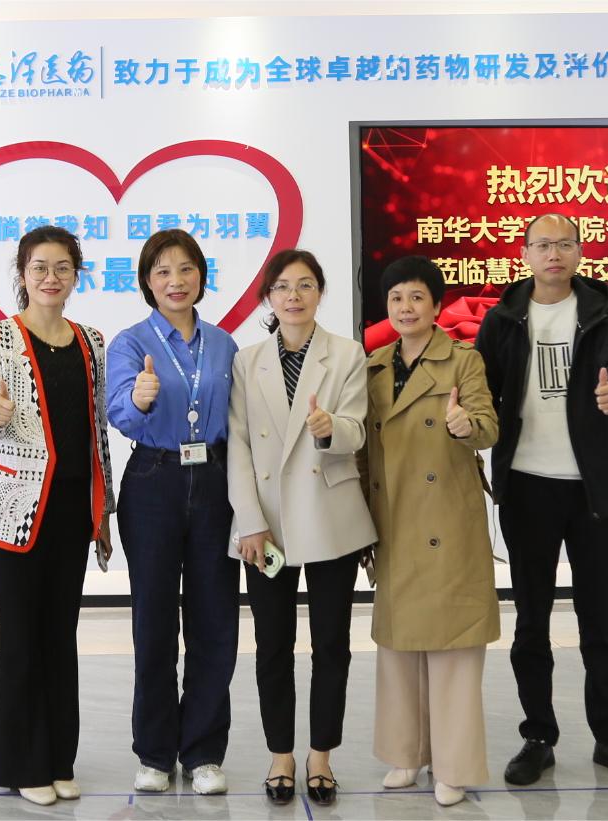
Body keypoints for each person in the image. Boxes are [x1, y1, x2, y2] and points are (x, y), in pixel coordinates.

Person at [474, 213, 608, 787]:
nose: (553, 253)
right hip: (526, 485)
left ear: (579, 252)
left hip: (591, 490)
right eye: (542, 245)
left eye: (564, 244)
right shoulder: (503, 318)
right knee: (531, 622)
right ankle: (538, 736)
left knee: (597, 621)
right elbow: (479, 383)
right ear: (525, 254)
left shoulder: (602, 310)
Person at [0, 226, 115, 806]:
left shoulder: (91, 340)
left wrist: (103, 507)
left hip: (73, 507)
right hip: (14, 507)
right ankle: (23, 763)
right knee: (23, 635)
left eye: (62, 268)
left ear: (76, 275)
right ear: (22, 274)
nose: (51, 278)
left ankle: (58, 759)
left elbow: (97, 429)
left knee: (60, 633)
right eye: (39, 268)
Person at [226, 249, 376, 806]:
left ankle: (321, 757)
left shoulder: (347, 353)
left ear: (320, 292)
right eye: (283, 286)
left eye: (306, 285)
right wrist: (249, 520)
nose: (294, 296)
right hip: (267, 524)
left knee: (332, 644)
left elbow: (357, 431)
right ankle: (281, 756)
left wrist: (328, 426)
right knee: (272, 645)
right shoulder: (247, 361)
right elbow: (238, 447)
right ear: (268, 297)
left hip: (330, 515)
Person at [360, 255, 500, 807]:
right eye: (396, 298)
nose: (406, 307)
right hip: (393, 518)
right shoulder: (374, 366)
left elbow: (488, 426)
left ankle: (453, 765)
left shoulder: (463, 361)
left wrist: (466, 426)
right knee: (399, 644)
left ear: (437, 305)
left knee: (453, 647)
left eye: (417, 297)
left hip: (447, 520)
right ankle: (406, 753)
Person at [106, 229, 239, 795]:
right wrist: (138, 400)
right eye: (162, 271)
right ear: (146, 282)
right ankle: (155, 753)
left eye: (186, 269)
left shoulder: (225, 344)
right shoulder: (130, 343)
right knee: (154, 622)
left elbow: (241, 423)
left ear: (201, 277)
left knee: (214, 619)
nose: (175, 281)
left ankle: (204, 752)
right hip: (153, 480)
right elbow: (118, 413)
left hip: (215, 479)